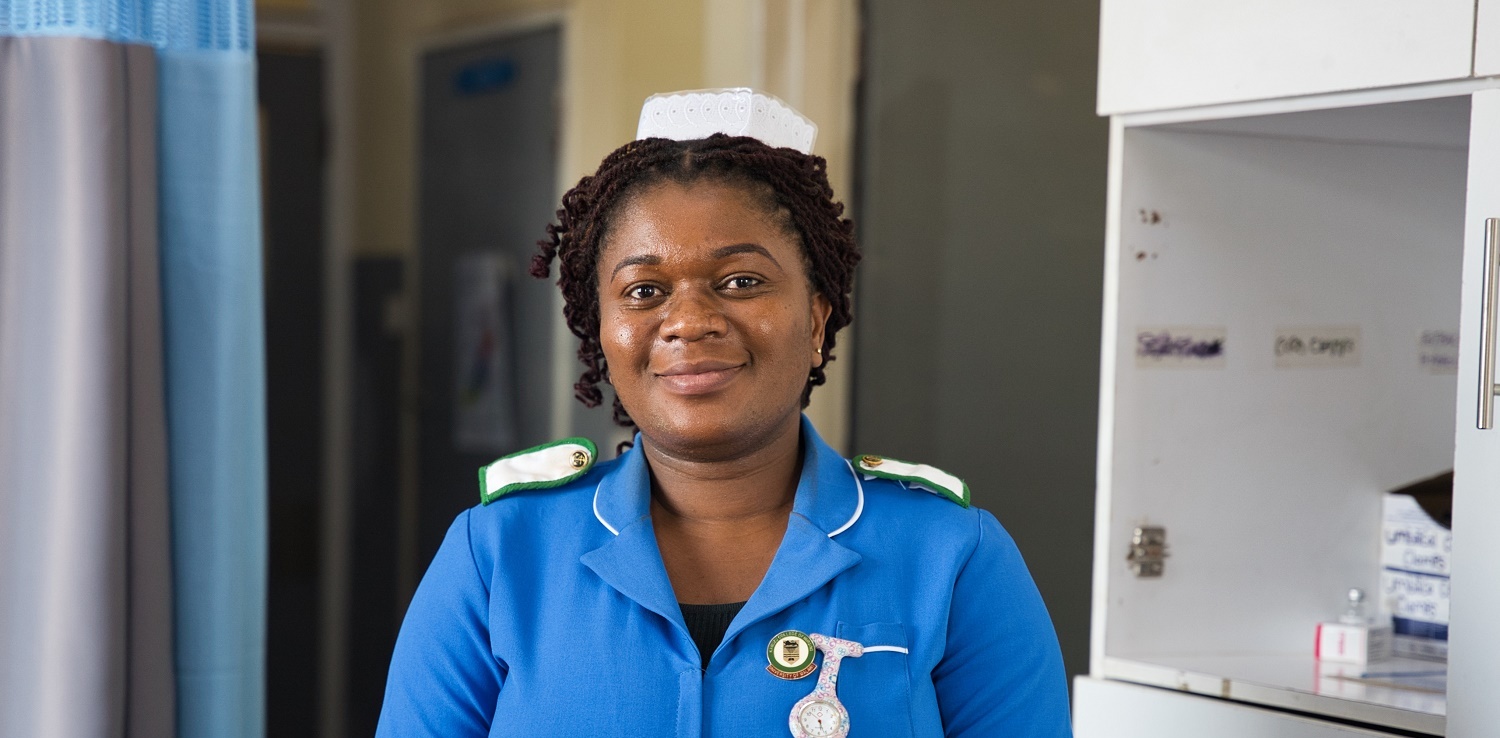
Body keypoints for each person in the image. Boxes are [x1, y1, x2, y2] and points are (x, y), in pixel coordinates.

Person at [376, 89, 1072, 737]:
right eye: (645, 290)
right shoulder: (499, 553)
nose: (689, 322)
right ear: (600, 330)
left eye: (741, 281)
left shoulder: (951, 556)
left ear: (818, 318)